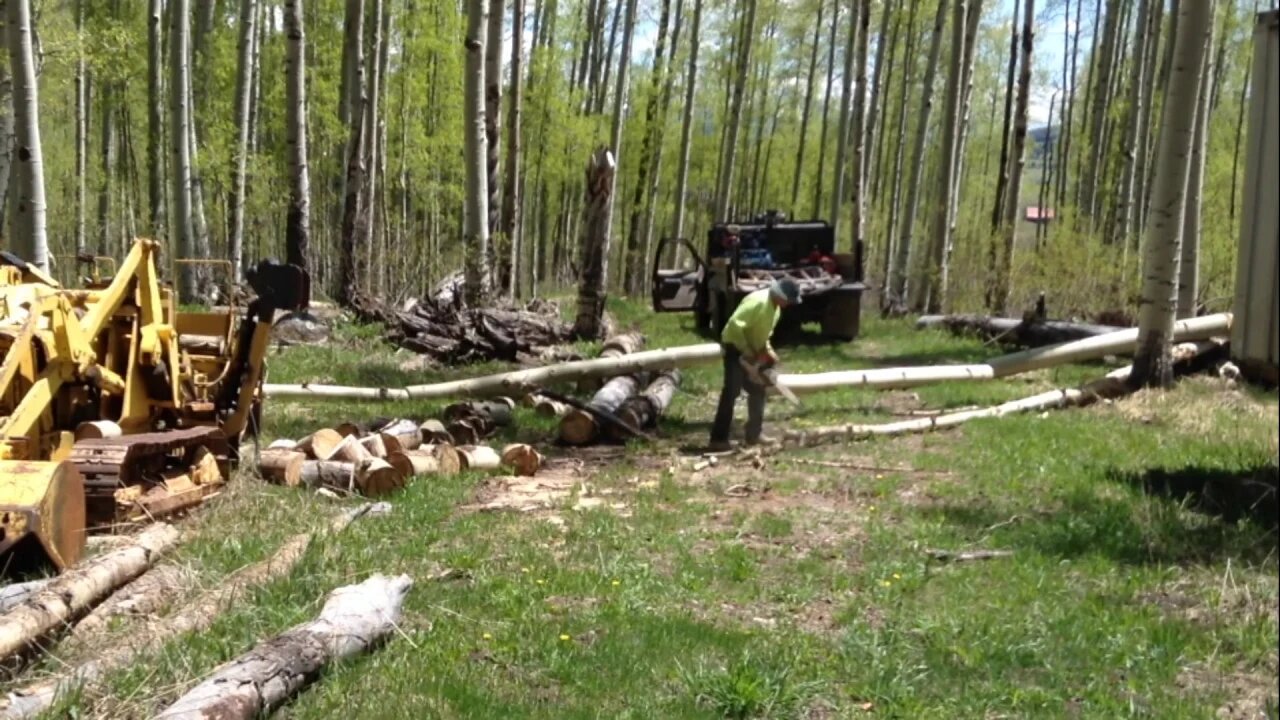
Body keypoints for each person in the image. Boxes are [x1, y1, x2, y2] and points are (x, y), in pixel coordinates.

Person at [709, 278, 801, 451]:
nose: (788, 304)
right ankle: (718, 438)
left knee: (758, 389)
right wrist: (747, 352)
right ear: (781, 295)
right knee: (732, 390)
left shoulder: (776, 311)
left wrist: (767, 351)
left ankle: (754, 433)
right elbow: (735, 326)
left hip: (750, 349)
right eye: (788, 300)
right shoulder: (758, 301)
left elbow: (762, 336)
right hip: (734, 346)